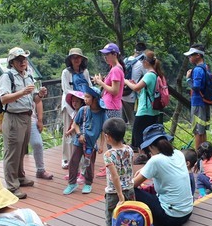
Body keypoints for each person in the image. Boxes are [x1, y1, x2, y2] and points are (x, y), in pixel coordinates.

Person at [0, 47, 48, 199]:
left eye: (24, 59)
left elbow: (34, 99)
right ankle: (12, 186)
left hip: (27, 117)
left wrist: (39, 94)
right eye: (19, 60)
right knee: (12, 152)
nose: (23, 62)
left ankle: (20, 177)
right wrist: (23, 92)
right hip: (13, 117)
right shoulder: (7, 77)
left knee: (21, 150)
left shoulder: (28, 76)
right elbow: (4, 99)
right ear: (12, 62)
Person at [133, 124, 194, 226]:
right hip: (187, 212)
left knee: (131, 191)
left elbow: (132, 185)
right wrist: (144, 169)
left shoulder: (156, 160)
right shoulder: (178, 153)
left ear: (150, 146)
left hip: (170, 218)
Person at [63, 86, 107, 195]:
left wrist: (101, 145)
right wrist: (79, 134)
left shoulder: (102, 114)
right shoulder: (83, 110)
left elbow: (103, 130)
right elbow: (75, 124)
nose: (85, 99)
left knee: (89, 163)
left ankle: (88, 183)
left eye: (88, 97)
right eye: (85, 97)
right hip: (80, 141)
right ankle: (72, 183)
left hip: (91, 144)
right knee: (74, 161)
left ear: (95, 99)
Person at [123, 50, 162, 164]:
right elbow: (142, 90)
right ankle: (147, 154)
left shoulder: (149, 75)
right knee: (148, 133)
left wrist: (126, 81)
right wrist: (133, 83)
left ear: (145, 62)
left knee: (138, 132)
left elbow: (135, 88)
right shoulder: (155, 75)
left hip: (145, 110)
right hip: (152, 110)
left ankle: (143, 154)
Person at [92, 42, 125, 177]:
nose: (105, 57)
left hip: (112, 107)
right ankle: (111, 166)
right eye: (104, 55)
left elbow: (115, 90)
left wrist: (100, 83)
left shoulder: (116, 69)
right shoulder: (115, 68)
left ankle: (113, 168)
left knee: (112, 138)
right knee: (111, 138)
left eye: (107, 54)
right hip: (110, 106)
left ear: (114, 54)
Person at [102, 117, 135, 226]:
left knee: (111, 218)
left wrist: (120, 195)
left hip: (114, 192)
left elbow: (114, 176)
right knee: (129, 216)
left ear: (108, 137)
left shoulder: (108, 155)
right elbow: (130, 167)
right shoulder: (129, 149)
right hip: (130, 189)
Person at [60, 48, 92, 170]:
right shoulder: (66, 73)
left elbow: (89, 86)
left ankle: (80, 157)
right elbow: (66, 89)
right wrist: (78, 98)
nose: (76, 59)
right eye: (74, 57)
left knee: (82, 130)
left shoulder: (85, 72)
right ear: (70, 60)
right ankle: (66, 158)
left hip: (83, 104)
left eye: (78, 57)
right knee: (69, 130)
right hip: (69, 104)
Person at [184, 44, 211, 150]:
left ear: (198, 56)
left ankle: (198, 155)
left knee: (198, 131)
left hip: (198, 102)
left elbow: (196, 87)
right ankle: (204, 153)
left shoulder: (198, 70)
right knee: (202, 130)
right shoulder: (206, 67)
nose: (189, 57)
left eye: (191, 55)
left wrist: (188, 79)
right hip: (204, 102)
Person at [122, 42, 147, 127]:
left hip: (121, 93)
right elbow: (148, 76)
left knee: (121, 121)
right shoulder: (141, 64)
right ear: (143, 52)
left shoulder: (125, 60)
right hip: (130, 94)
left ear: (134, 50)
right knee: (132, 121)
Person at [30, 100, 54, 180]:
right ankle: (16, 174)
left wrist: (40, 120)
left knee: (37, 143)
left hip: (32, 119)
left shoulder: (31, 87)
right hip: (16, 118)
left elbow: (38, 100)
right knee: (17, 147)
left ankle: (40, 170)